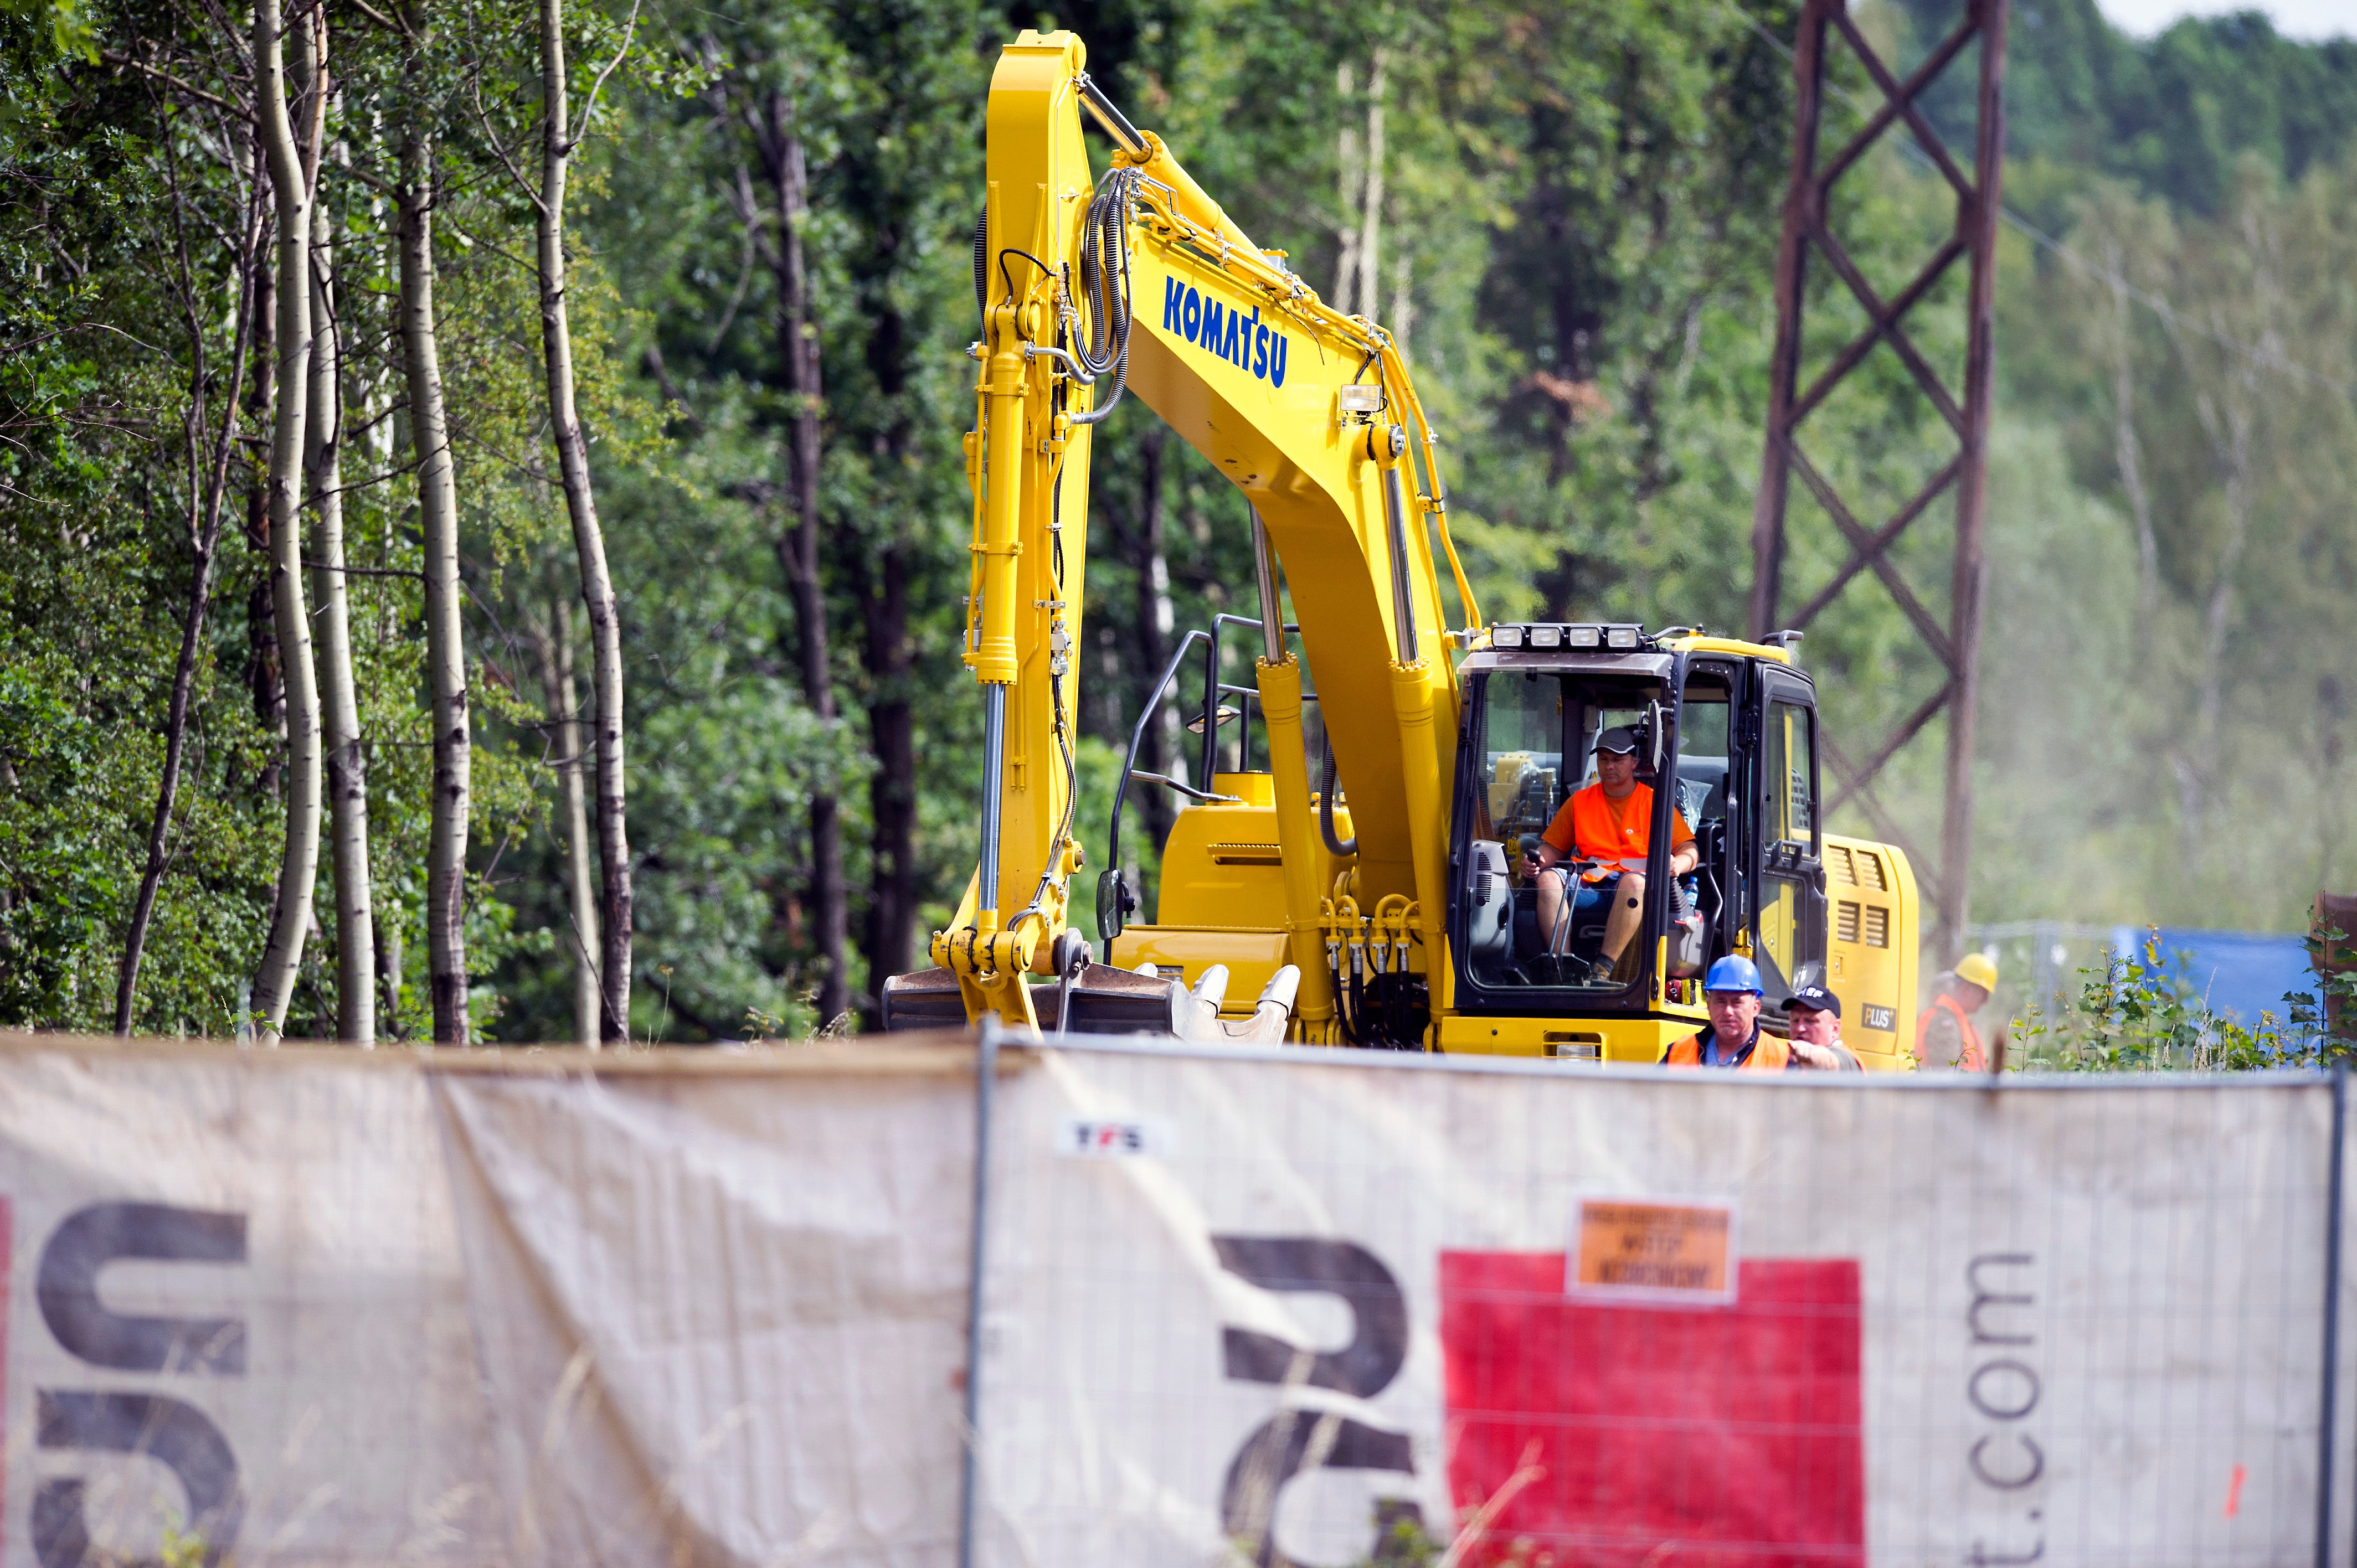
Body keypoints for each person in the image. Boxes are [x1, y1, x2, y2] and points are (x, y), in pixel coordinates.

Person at [1524, 725, 1697, 983]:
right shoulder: (1580, 802)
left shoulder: (1655, 803)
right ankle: (1563, 968)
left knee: (1634, 882)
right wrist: (1535, 862)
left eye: (1618, 760)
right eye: (1604, 760)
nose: (1610, 766)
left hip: (1636, 888)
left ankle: (1602, 969)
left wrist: (1677, 865)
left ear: (1634, 762)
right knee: (1548, 879)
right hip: (1589, 884)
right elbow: (1552, 848)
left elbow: (1689, 851)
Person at [1663, 955, 1790, 1070]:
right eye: (1720, 1001)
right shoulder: (1678, 1052)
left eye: (1737, 1002)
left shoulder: (1781, 1059)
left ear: (1755, 1008)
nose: (1728, 1011)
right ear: (1709, 1006)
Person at [1916, 951, 1998, 1071]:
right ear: (1966, 989)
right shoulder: (1944, 1022)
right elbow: (1945, 1079)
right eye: (1984, 994)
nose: (1986, 1001)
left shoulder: (1958, 1021)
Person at [1785, 984, 1862, 1072]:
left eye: (1810, 1021)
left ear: (1835, 1029)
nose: (1800, 1028)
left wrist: (1809, 1053)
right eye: (1795, 1020)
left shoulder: (1847, 1059)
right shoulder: (1789, 1059)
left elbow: (1829, 1061)